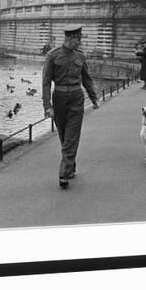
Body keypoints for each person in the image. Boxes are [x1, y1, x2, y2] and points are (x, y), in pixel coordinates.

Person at [42, 24, 99, 189]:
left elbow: (87, 79)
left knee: (71, 136)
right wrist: (47, 106)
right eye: (78, 39)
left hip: (76, 98)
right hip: (59, 98)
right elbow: (46, 82)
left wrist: (94, 98)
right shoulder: (52, 56)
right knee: (64, 136)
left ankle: (64, 173)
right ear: (70, 38)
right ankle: (71, 165)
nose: (80, 43)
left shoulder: (80, 57)